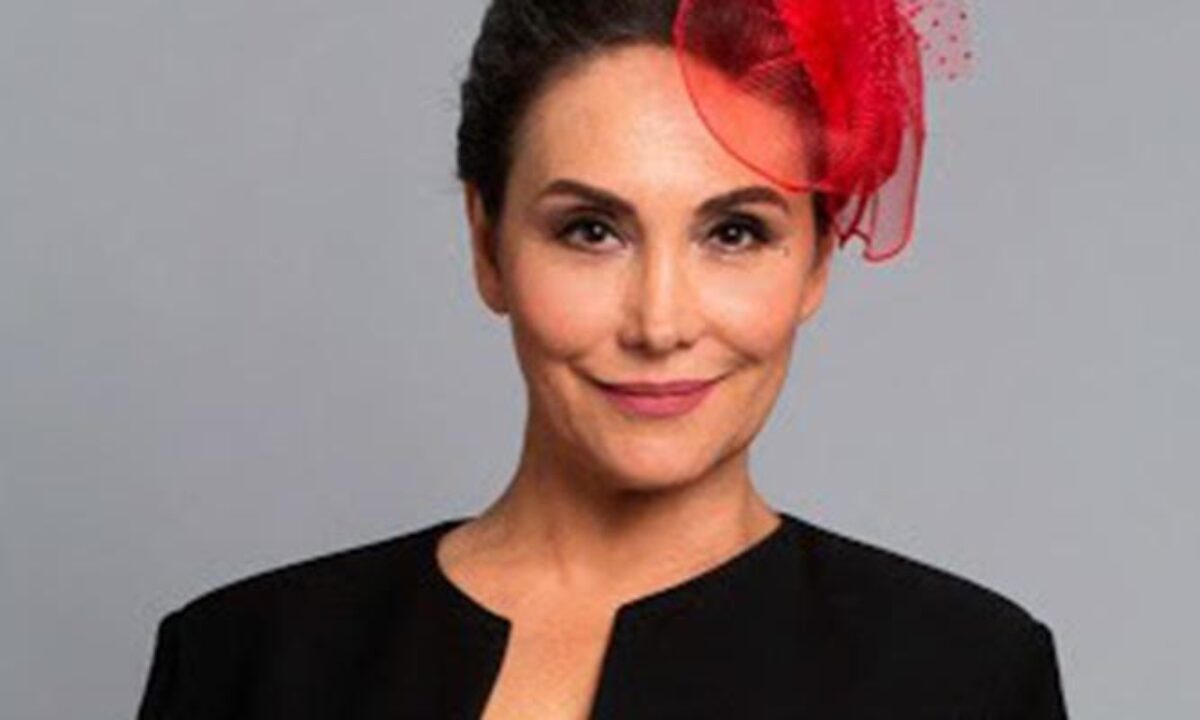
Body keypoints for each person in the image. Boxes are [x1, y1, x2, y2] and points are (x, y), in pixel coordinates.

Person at [134, 1, 1069, 718]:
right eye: (591, 230)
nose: (660, 323)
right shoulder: (240, 661)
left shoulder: (965, 678)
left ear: (817, 260)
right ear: (488, 244)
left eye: (735, 233)